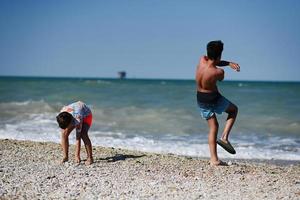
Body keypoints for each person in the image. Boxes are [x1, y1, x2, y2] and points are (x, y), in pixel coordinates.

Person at [195, 40, 240, 166]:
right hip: (214, 98)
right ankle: (224, 137)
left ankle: (214, 159)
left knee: (213, 127)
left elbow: (212, 60)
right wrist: (227, 64)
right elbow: (220, 78)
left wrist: (228, 63)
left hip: (201, 99)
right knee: (233, 110)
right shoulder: (218, 72)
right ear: (219, 56)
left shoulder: (201, 60)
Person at [56, 101, 93, 165]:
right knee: (64, 134)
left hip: (86, 115)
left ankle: (90, 158)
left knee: (83, 134)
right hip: (74, 113)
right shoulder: (61, 115)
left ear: (70, 123)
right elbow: (63, 129)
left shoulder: (77, 119)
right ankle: (65, 157)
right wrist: (65, 130)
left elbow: (78, 138)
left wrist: (77, 156)